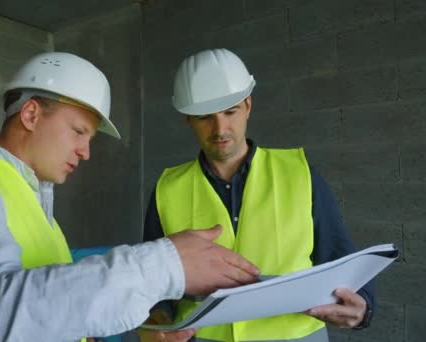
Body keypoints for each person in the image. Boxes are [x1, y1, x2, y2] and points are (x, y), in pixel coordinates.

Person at [0, 51, 261, 342]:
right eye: (78, 132)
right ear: (32, 114)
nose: (85, 152)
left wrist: (134, 327)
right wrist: (164, 265)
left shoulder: (30, 201)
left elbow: (47, 308)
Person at [139, 48, 375, 342]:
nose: (220, 129)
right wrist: (157, 320)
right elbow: (152, 283)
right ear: (188, 119)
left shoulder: (299, 174)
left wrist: (362, 308)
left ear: (248, 106)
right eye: (204, 118)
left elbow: (342, 259)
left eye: (230, 111)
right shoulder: (168, 189)